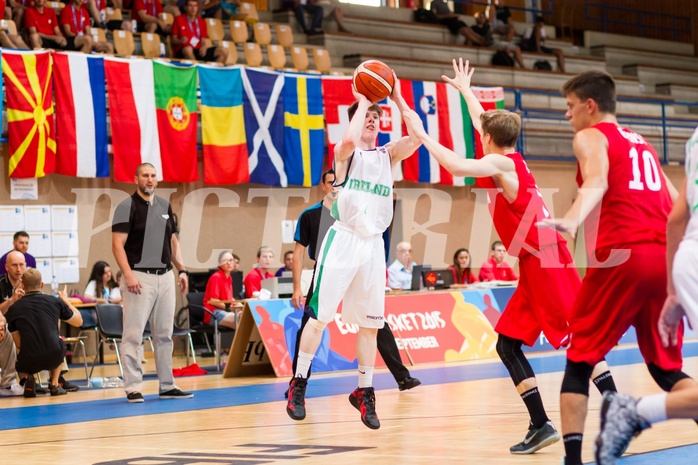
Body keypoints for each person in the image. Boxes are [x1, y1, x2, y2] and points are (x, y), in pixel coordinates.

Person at [402, 58, 618, 454]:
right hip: (536, 261)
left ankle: (617, 409)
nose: (479, 132)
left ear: (487, 140)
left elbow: (453, 163)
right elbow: (484, 120)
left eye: (481, 132)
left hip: (546, 260)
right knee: (507, 345)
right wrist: (467, 90)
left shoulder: (498, 163)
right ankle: (540, 424)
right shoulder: (508, 158)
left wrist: (421, 135)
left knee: (579, 338)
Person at [536, 70, 696, 465]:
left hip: (623, 256)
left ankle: (573, 461)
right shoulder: (642, 143)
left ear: (590, 106)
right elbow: (679, 200)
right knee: (664, 367)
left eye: (570, 107)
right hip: (665, 259)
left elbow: (597, 179)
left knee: (579, 361)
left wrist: (573, 217)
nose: (568, 116)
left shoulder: (590, 136)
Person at [286, 71, 421, 430]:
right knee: (320, 318)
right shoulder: (346, 156)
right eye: (367, 118)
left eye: (378, 119)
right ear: (356, 121)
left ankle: (364, 391)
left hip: (373, 246)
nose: (373, 122)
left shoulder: (386, 155)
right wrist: (363, 99)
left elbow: (419, 137)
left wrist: (396, 98)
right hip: (343, 240)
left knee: (370, 327)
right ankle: (298, 383)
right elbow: (346, 143)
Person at [593, 127, 698, 465]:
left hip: (686, 258)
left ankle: (633, 411)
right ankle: (635, 411)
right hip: (675, 258)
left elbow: (676, 218)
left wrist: (673, 286)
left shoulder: (693, 138)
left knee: (666, 368)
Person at [287, 169, 420, 398]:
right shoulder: (310, 215)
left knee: (376, 324)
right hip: (326, 272)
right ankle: (298, 381)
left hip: (358, 270)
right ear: (324, 186)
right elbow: (298, 253)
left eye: (338, 184)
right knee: (312, 321)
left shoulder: (357, 213)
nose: (335, 188)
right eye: (331, 183)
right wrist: (297, 287)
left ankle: (401, 376)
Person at [112, 162, 193, 403]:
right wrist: (128, 275)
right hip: (139, 277)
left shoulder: (164, 205)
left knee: (165, 334)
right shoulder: (126, 207)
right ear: (135, 178)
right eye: (145, 175)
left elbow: (173, 241)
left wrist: (182, 269)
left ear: (157, 180)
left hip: (165, 277)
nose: (149, 179)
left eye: (153, 175)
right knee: (134, 335)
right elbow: (117, 245)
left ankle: (167, 385)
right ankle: (133, 387)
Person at [5, 268, 83, 397]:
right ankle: (54, 384)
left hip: (28, 360)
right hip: (53, 357)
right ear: (41, 285)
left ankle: (28, 378)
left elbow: (18, 343)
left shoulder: (14, 308)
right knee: (58, 341)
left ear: (22, 285)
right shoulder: (55, 302)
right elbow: (79, 321)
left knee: (20, 347)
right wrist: (65, 300)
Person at [0, 251, 27, 397]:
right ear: (6, 267)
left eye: (21, 265)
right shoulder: (0, 284)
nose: (18, 269)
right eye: (14, 265)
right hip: (4, 329)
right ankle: (8, 383)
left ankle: (57, 379)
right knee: (9, 334)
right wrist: (12, 300)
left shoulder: (29, 283)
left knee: (48, 332)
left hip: (23, 327)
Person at [25, 0, 93, 52]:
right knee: (34, 37)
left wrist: (61, 38)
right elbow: (34, 32)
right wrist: (54, 38)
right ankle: (41, 62)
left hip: (55, 40)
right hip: (43, 40)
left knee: (88, 39)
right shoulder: (29, 11)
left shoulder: (51, 11)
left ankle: (78, 63)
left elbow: (57, 31)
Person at [202, 250, 238, 330]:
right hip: (213, 313)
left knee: (246, 317)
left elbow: (229, 299)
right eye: (225, 261)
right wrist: (230, 308)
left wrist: (239, 305)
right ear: (219, 264)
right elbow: (214, 300)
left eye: (231, 260)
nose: (229, 263)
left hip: (225, 311)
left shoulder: (229, 278)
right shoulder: (216, 277)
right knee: (239, 319)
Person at [82, 260, 122, 327]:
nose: (108, 274)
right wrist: (98, 300)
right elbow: (86, 296)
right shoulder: (94, 283)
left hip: (113, 312)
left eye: (109, 271)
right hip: (100, 314)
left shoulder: (114, 285)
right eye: (105, 273)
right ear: (99, 274)